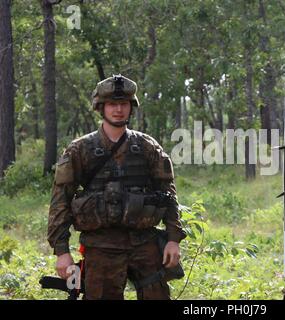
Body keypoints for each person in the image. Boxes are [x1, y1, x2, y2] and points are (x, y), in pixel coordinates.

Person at [47, 74, 186, 300]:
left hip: (145, 244)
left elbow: (168, 194)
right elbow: (60, 201)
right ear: (101, 108)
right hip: (101, 246)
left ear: (131, 108)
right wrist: (62, 252)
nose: (118, 109)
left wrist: (173, 239)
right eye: (112, 104)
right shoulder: (79, 149)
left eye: (124, 104)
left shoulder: (147, 146)